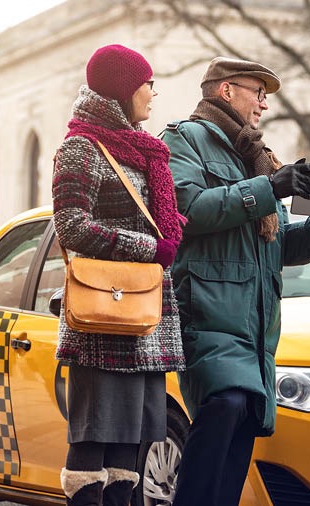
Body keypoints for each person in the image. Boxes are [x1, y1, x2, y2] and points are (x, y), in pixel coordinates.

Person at [161, 56, 310, 506]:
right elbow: (189, 210)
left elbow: (280, 248)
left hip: (257, 329)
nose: (264, 105)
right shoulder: (184, 139)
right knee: (226, 404)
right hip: (209, 313)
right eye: (257, 93)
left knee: (242, 421)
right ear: (225, 91)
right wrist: (271, 187)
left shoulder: (257, 155)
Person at [51, 44, 185, 506]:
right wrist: (149, 247)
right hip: (103, 320)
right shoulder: (80, 148)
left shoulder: (145, 151)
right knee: (92, 447)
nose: (153, 92)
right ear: (123, 87)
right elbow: (69, 227)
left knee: (130, 452)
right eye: (147, 83)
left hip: (145, 320)